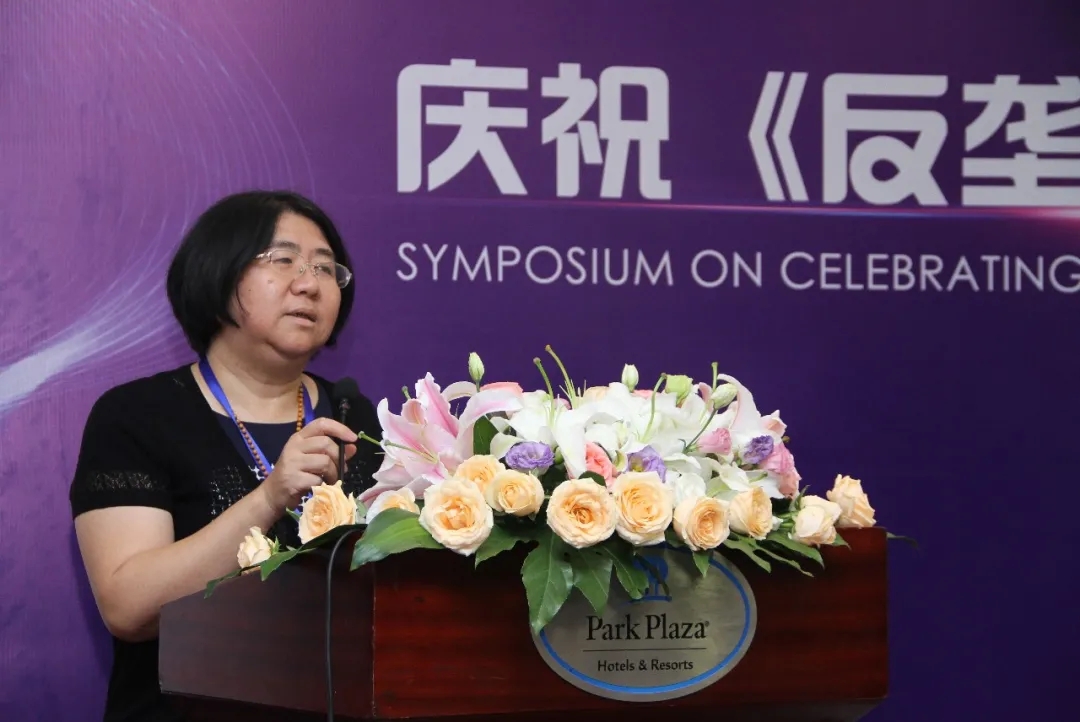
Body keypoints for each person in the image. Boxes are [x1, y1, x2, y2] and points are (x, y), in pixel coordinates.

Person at [69, 190, 382, 721]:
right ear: (217, 273)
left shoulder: (353, 415)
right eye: (282, 260)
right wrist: (270, 498)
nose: (309, 283)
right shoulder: (137, 416)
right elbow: (129, 607)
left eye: (325, 268)